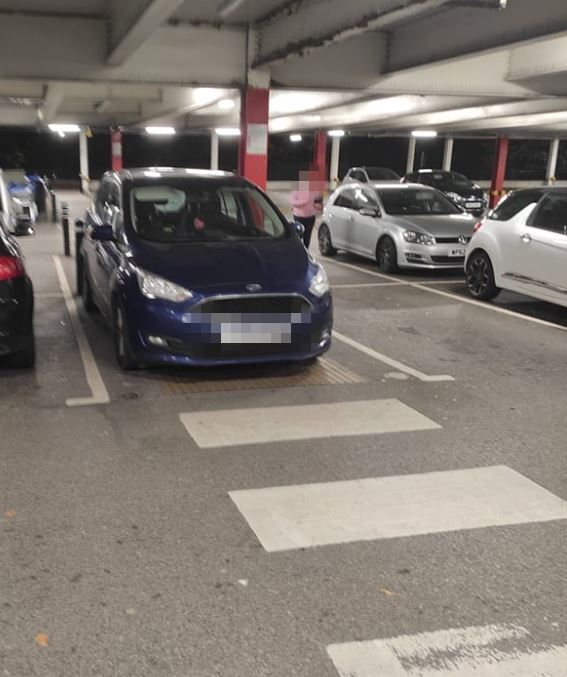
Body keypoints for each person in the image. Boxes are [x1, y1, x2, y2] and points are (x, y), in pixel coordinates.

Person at [290, 170, 323, 249]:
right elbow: (292, 200)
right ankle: (298, 251)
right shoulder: (298, 189)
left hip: (310, 217)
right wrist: (301, 203)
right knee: (298, 237)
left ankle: (306, 252)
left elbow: (320, 203)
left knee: (307, 238)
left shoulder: (315, 190)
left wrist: (318, 206)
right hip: (298, 216)